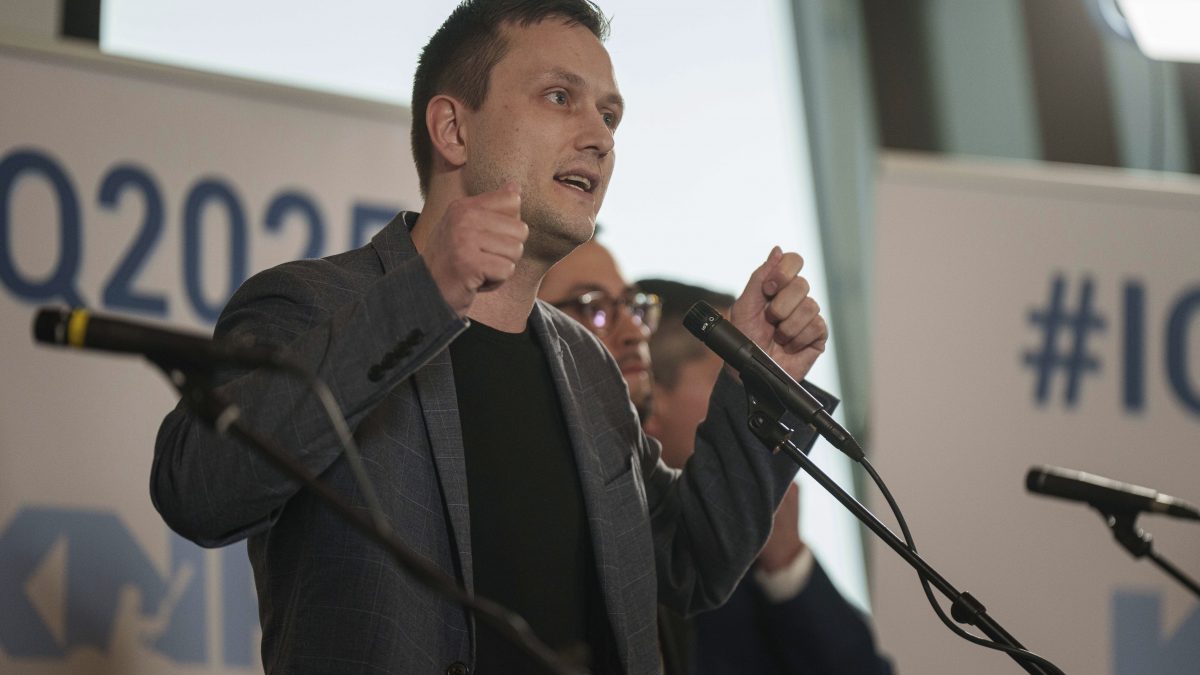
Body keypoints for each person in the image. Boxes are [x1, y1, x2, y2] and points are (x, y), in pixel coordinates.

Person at [151, 2, 830, 673]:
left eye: (609, 115)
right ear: (453, 130)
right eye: (560, 97)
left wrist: (759, 380)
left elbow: (688, 561)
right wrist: (422, 296)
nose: (600, 137)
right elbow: (198, 490)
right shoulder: (310, 304)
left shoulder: (589, 369)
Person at [540, 241, 891, 674]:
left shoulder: (727, 532)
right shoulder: (575, 513)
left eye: (632, 306)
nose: (632, 332)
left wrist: (786, 567)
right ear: (655, 393)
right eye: (590, 306)